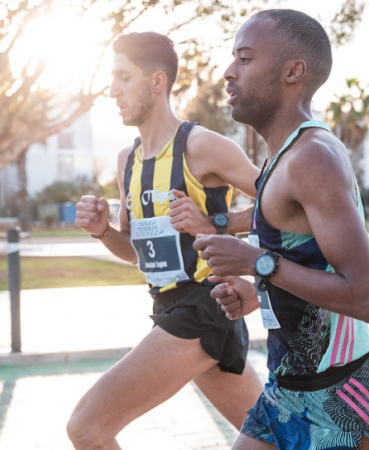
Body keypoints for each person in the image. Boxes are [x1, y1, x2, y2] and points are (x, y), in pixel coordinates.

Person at [194, 10, 369, 450]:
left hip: (345, 393)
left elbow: (367, 299)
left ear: (293, 72)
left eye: (244, 59)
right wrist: (257, 290)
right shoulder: (282, 156)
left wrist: (256, 262)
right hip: (288, 390)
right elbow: (308, 259)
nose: (228, 72)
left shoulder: (311, 157)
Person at [67, 32, 262, 450]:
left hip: (205, 305)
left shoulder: (201, 145)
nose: (112, 89)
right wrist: (103, 232)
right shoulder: (128, 161)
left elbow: (287, 200)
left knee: (86, 428)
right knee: (278, 440)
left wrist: (216, 222)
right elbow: (135, 252)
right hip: (169, 306)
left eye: (123, 77)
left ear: (156, 82)